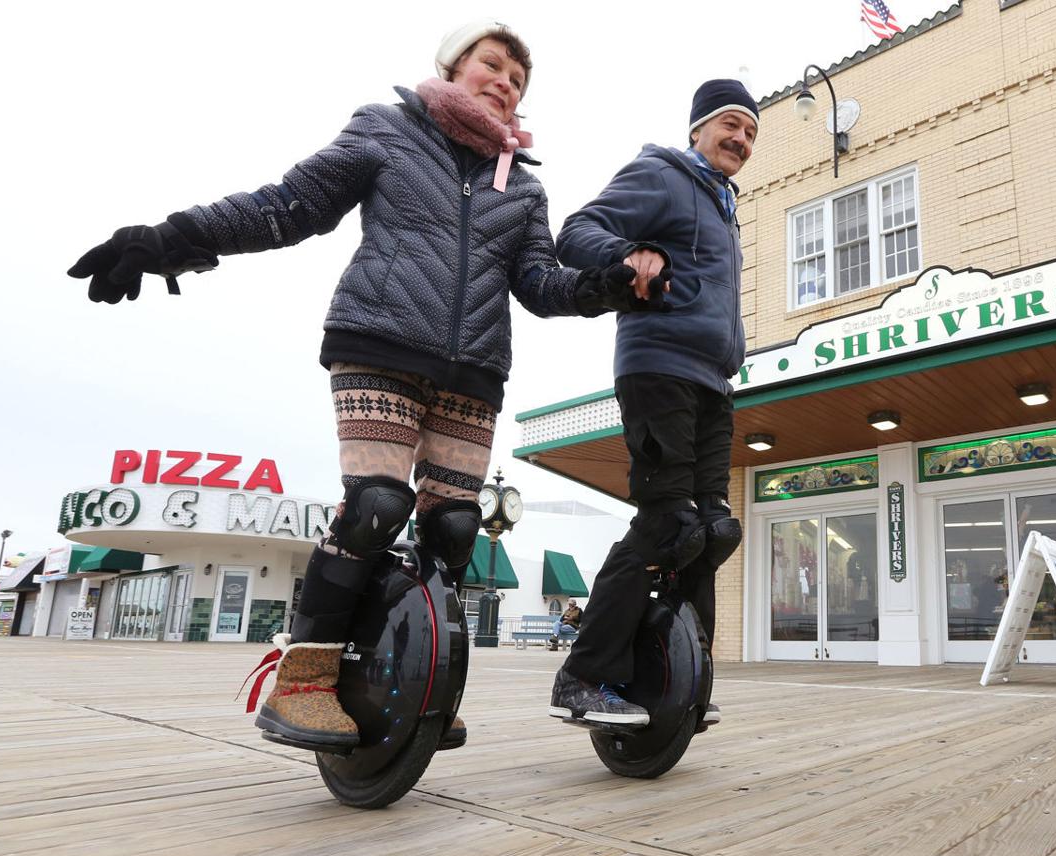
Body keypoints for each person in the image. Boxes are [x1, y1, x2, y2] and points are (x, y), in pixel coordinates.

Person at [69, 19, 647, 752]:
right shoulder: (388, 129)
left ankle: (421, 677)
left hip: (474, 371)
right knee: (376, 505)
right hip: (378, 341)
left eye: (518, 80)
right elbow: (289, 205)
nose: (505, 83)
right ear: (452, 66)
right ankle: (303, 682)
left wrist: (606, 285)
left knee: (455, 529)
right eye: (491, 65)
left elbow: (538, 282)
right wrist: (170, 241)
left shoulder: (523, 187)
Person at [548, 79, 759, 726]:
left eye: (751, 132)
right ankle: (582, 675)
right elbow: (578, 231)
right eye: (731, 125)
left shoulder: (723, 206)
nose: (742, 140)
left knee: (712, 531)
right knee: (668, 522)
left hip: (712, 381)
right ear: (697, 128)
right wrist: (627, 253)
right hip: (658, 367)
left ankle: (683, 682)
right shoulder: (663, 175)